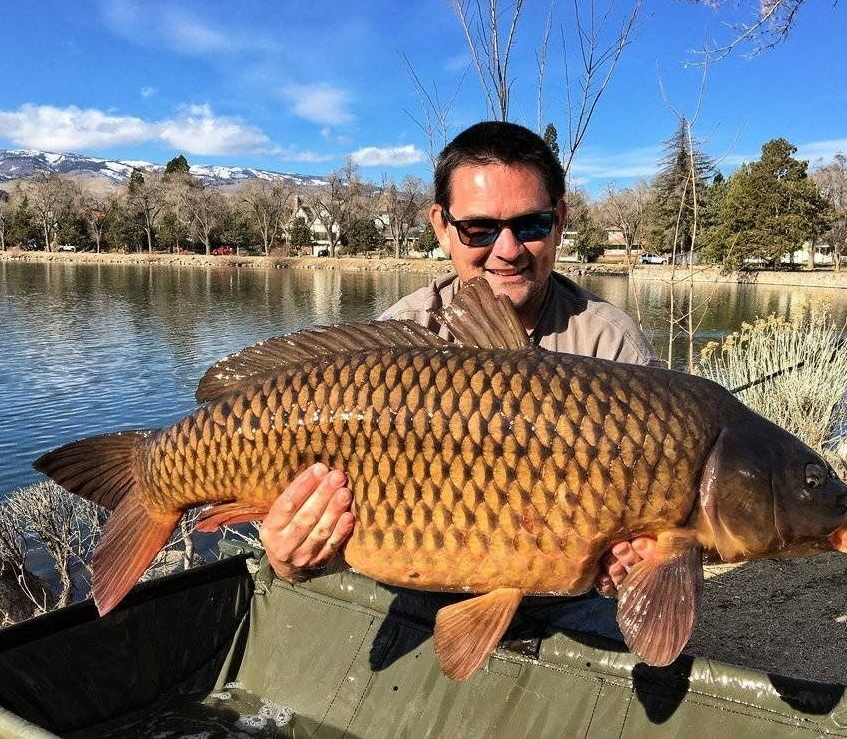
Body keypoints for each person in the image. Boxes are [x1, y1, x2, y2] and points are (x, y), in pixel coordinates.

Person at [259, 120, 659, 608]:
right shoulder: (400, 337)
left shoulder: (611, 345)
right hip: (416, 590)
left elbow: (653, 535)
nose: (507, 251)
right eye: (479, 228)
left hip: (566, 602)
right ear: (442, 227)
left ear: (558, 222)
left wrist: (643, 564)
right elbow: (336, 541)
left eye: (530, 224)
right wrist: (289, 558)